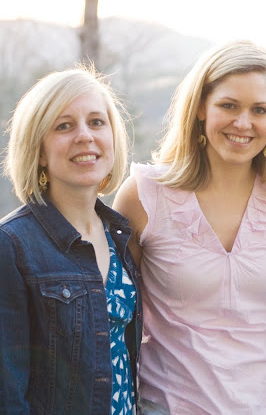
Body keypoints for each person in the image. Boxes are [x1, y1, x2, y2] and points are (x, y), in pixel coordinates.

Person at [114, 40, 266, 414]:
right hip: (171, 405)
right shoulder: (143, 196)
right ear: (200, 108)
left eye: (259, 110)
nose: (243, 123)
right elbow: (115, 314)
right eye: (229, 105)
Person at [0, 67, 141, 414]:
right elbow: (8, 393)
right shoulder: (12, 245)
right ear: (39, 151)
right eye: (64, 126)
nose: (85, 136)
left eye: (96, 122)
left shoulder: (119, 235)